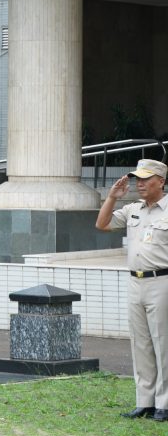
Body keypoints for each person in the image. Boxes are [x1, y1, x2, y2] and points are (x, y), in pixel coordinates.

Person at [96, 158, 168, 422]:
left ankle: (165, 403)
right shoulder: (133, 209)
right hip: (135, 281)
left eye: (146, 178)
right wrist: (113, 197)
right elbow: (102, 224)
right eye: (137, 178)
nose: (140, 184)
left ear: (161, 181)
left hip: (162, 282)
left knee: (164, 343)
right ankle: (145, 402)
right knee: (141, 344)